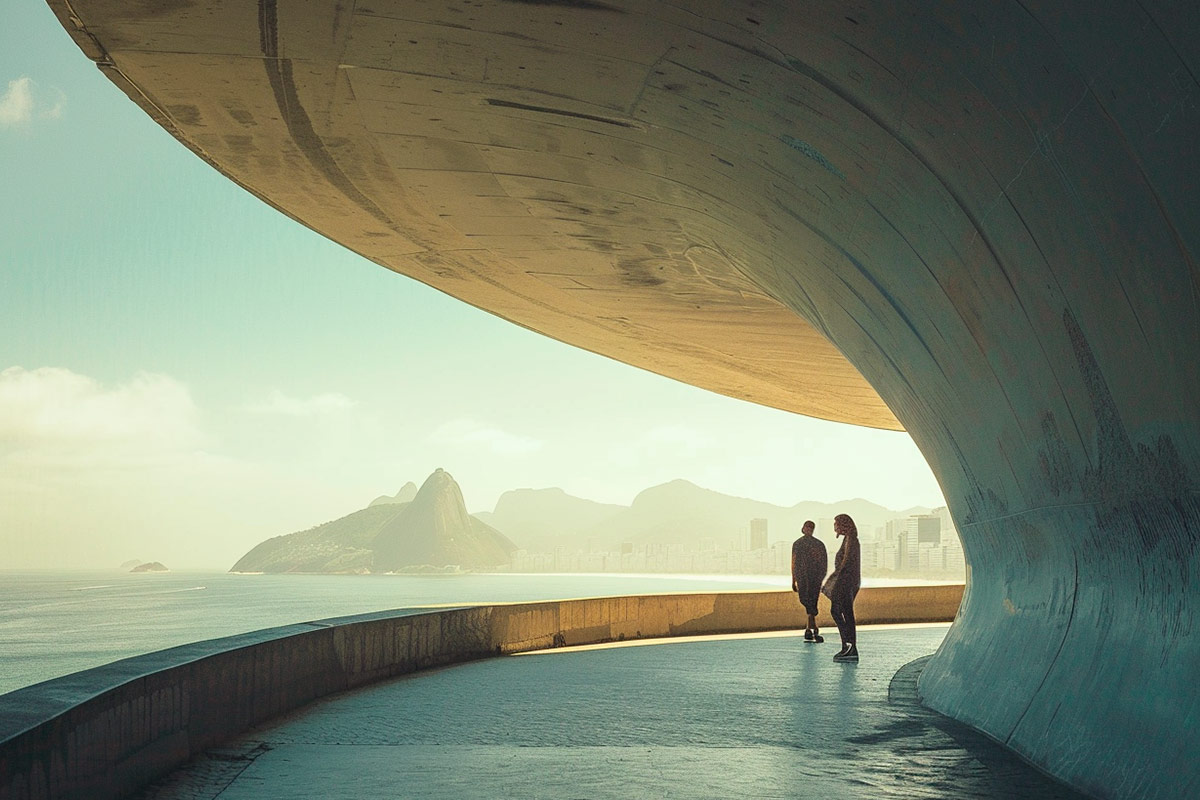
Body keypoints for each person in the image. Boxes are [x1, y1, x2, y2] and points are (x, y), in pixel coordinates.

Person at [824, 513, 861, 662]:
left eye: (836, 524)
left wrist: (834, 580)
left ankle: (850, 647)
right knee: (840, 612)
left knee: (844, 613)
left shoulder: (851, 540)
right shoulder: (848, 539)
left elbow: (846, 564)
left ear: (843, 525)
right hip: (846, 581)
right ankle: (847, 646)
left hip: (846, 582)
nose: (835, 527)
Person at [790, 520, 827, 643]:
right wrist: (794, 579)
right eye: (807, 527)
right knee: (807, 601)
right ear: (804, 528)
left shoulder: (818, 544)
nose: (809, 529)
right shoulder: (797, 544)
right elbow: (794, 562)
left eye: (811, 527)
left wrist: (820, 577)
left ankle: (810, 629)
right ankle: (813, 628)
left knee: (811, 601)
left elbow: (823, 563)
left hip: (814, 578)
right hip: (802, 577)